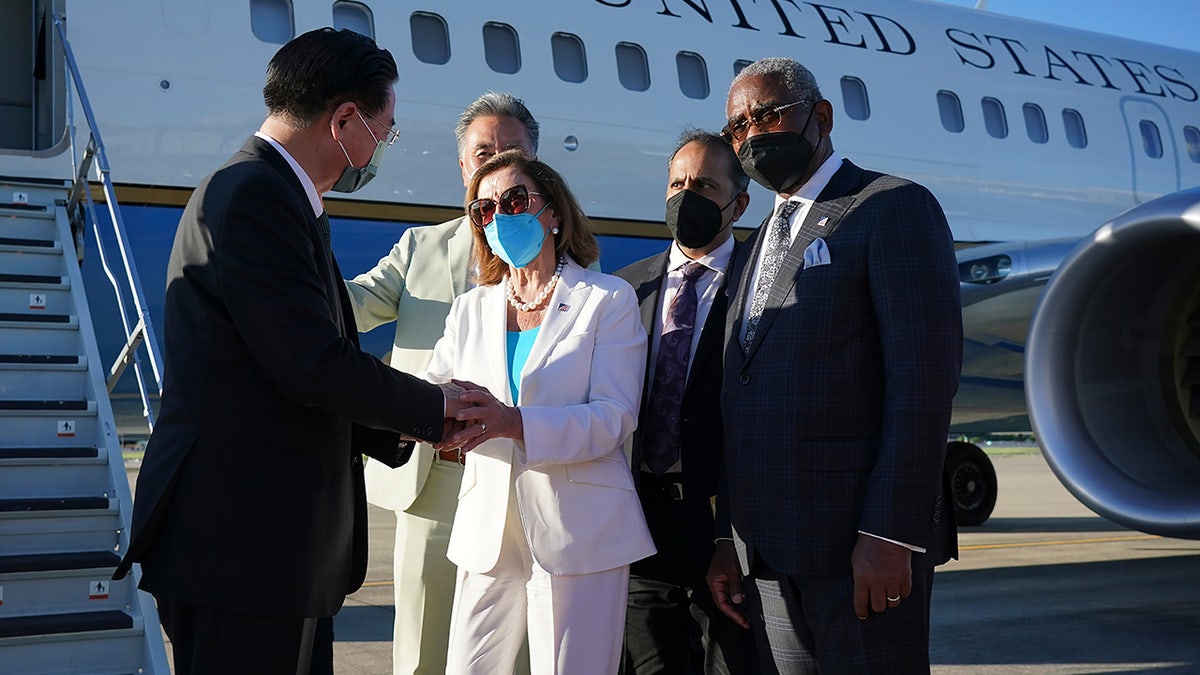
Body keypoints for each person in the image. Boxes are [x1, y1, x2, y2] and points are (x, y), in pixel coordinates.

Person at [112, 28, 468, 674]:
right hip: (243, 551)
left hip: (273, 553)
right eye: (383, 134)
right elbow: (311, 363)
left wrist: (414, 433)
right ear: (343, 122)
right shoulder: (253, 197)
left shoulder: (280, 199)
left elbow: (291, 367)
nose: (380, 151)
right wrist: (439, 408)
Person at [705, 57, 962, 673]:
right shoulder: (755, 243)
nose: (750, 135)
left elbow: (921, 383)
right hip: (768, 558)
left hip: (859, 552)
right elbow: (741, 394)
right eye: (737, 128)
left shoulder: (891, 207)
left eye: (766, 115)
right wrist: (727, 539)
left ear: (820, 116)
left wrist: (892, 534)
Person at [427, 149, 655, 674]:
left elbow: (614, 417)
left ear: (553, 213)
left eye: (514, 199)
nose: (499, 216)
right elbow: (435, 388)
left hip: (579, 531)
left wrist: (514, 422)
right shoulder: (470, 308)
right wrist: (432, 424)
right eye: (483, 209)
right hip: (488, 529)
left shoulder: (607, 299)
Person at [345, 91, 539, 675]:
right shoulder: (422, 246)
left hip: (520, 477)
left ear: (537, 163)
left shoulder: (569, 256)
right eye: (484, 151)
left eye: (512, 150)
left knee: (518, 646)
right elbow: (345, 307)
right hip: (434, 479)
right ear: (462, 167)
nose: (496, 161)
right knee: (423, 643)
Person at [614, 130, 758, 675]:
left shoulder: (762, 286)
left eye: (702, 185)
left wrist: (731, 533)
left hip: (726, 527)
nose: (685, 195)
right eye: (677, 183)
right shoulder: (625, 291)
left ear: (738, 203)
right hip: (640, 524)